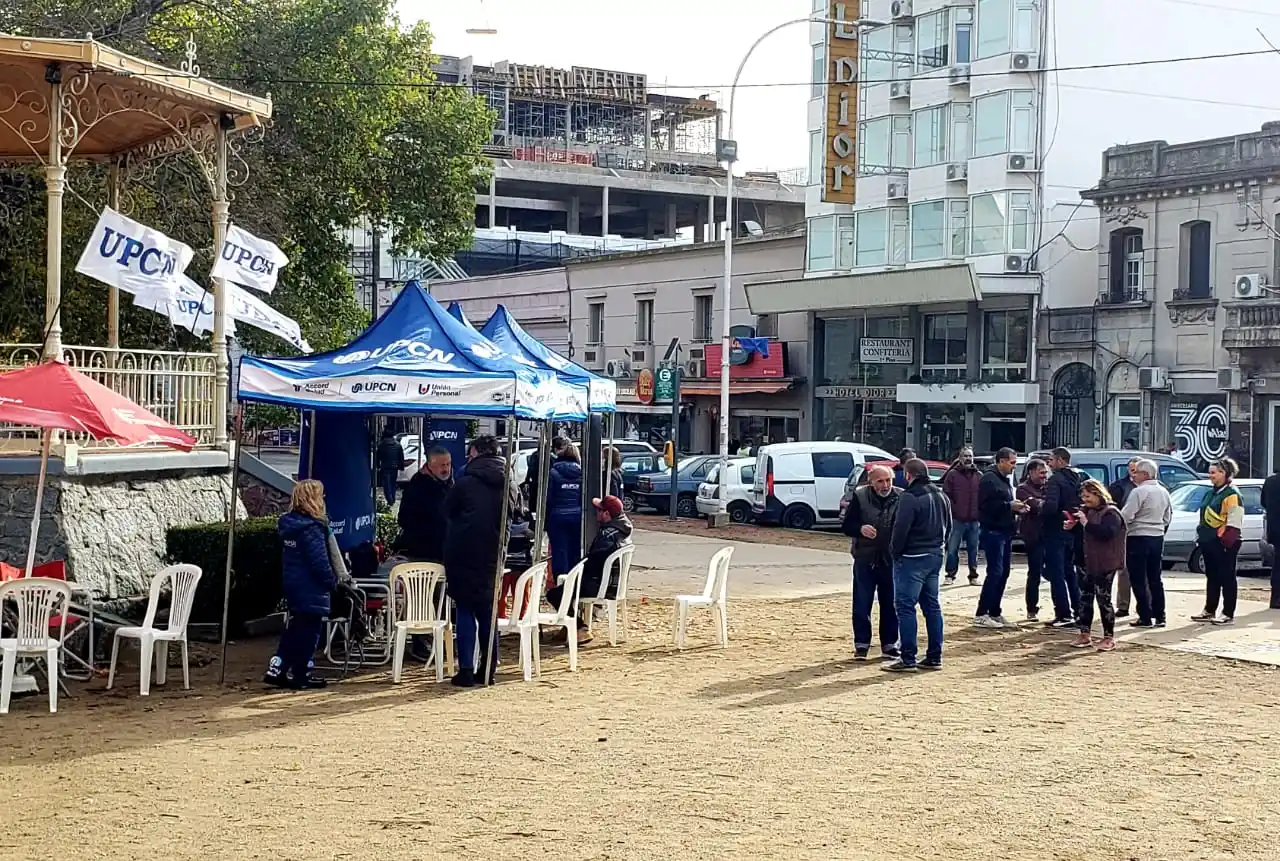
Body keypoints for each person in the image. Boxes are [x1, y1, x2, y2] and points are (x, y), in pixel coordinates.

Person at [443, 435, 512, 687]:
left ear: (478, 453)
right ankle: (488, 669)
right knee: (488, 613)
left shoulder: (465, 481)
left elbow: (447, 510)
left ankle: (466, 669)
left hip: (463, 553)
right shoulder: (509, 482)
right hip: (494, 555)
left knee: (464, 609)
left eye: (470, 452)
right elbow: (515, 514)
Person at [265, 479, 337, 689]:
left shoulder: (290, 526)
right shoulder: (312, 528)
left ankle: (278, 666)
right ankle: (301, 672)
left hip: (294, 584)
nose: (323, 499)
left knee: (296, 627)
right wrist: (331, 582)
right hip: (311, 587)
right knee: (309, 632)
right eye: (320, 496)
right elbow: (319, 561)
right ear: (313, 500)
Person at [885, 458, 951, 673]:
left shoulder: (909, 497)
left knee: (905, 607)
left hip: (912, 557)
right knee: (931, 606)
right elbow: (949, 526)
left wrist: (895, 553)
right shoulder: (941, 494)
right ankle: (934, 656)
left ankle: (908, 657)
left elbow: (900, 528)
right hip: (935, 554)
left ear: (907, 474)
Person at [546, 496, 634, 643]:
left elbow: (592, 561)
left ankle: (579, 628)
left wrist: (574, 571)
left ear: (606, 514)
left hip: (599, 585)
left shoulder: (607, 535)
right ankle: (569, 628)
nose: (596, 513)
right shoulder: (622, 531)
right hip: (613, 584)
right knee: (567, 589)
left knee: (555, 594)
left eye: (599, 510)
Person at [840, 464, 902, 661]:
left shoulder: (901, 496)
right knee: (862, 602)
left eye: (888, 481)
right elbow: (846, 525)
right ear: (871, 482)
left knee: (890, 603)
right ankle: (861, 644)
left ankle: (890, 644)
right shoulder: (860, 496)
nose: (885, 485)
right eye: (880, 481)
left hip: (890, 558)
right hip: (865, 557)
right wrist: (860, 529)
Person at [974, 447, 1028, 628]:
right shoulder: (989, 479)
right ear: (1002, 461)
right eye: (1012, 463)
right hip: (993, 531)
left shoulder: (1003, 479)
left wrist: (1016, 508)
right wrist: (1009, 506)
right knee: (995, 572)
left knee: (1003, 572)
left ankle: (995, 612)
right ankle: (982, 613)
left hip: (1005, 531)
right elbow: (985, 506)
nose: (1014, 467)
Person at [1071, 479, 1126, 652]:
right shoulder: (1086, 511)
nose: (1084, 499)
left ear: (1097, 493)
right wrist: (1072, 526)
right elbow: (1083, 534)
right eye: (1082, 496)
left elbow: (1106, 533)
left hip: (1104, 563)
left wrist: (1086, 523)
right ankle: (1084, 634)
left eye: (1087, 496)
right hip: (1085, 561)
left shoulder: (1111, 513)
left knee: (1104, 599)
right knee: (1084, 599)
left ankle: (1108, 637)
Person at [1119, 458, 1173, 628]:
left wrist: (1125, 527)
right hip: (1157, 537)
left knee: (1138, 578)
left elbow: (1126, 516)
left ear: (1145, 474)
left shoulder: (1139, 492)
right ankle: (1160, 615)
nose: (1133, 476)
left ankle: (1145, 616)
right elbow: (1167, 517)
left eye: (1136, 473)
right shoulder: (1164, 491)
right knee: (1155, 577)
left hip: (1138, 537)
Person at [1191, 458, 1244, 625]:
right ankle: (1209, 609)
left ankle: (1228, 613)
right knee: (1212, 576)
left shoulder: (1232, 494)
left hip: (1224, 543)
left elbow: (1235, 522)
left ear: (1224, 473)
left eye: (1213, 472)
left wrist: (1225, 542)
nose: (1210, 475)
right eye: (1210, 472)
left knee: (1227, 577)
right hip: (1208, 542)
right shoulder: (1210, 492)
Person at [1041, 446, 1083, 628]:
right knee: (1070, 572)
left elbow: (1051, 506)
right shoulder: (1079, 477)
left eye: (1051, 460)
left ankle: (1063, 613)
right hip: (1072, 530)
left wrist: (1038, 507)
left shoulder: (1055, 480)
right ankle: (1079, 610)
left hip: (1055, 530)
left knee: (1056, 573)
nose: (1049, 464)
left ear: (1060, 460)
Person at [395, 446, 453, 562]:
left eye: (448, 464)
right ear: (430, 465)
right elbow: (404, 518)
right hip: (423, 552)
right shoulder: (417, 486)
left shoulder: (448, 483)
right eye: (442, 465)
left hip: (443, 549)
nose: (446, 469)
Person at [941, 448, 982, 585]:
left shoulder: (978, 475)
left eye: (970, 456)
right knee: (952, 549)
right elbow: (946, 495)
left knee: (973, 550)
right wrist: (955, 510)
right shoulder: (952, 475)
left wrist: (979, 512)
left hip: (974, 519)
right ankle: (950, 575)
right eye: (965, 456)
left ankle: (973, 575)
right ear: (959, 458)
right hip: (957, 519)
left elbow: (983, 496)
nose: (968, 458)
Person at [546, 441, 584, 584]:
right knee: (575, 548)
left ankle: (560, 581)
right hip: (577, 516)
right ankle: (574, 580)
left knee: (559, 549)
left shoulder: (553, 472)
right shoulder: (582, 473)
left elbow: (549, 497)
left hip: (557, 517)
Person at [1107, 458, 1141, 617]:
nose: (1134, 473)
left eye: (1137, 470)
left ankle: (1144, 607)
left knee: (1143, 572)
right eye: (1132, 470)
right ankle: (1123, 605)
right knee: (1123, 570)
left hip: (1143, 534)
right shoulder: (1119, 487)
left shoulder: (1153, 487)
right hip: (1123, 533)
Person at [1017, 458, 1049, 621]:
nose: (1044, 476)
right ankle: (1032, 609)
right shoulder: (1023, 489)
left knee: (1054, 572)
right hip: (1033, 537)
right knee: (1034, 573)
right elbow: (1035, 506)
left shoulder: (1049, 487)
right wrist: (1046, 504)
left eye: (1046, 472)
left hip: (1050, 536)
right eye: (1041, 472)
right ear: (1031, 472)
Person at [524, 436, 567, 513]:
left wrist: (527, 481)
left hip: (535, 485)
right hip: (545, 485)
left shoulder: (534, 455)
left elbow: (530, 469)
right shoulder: (550, 457)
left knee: (534, 507)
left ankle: (534, 521)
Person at [376, 428, 408, 506]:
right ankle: (392, 499)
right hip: (394, 467)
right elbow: (401, 457)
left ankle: (390, 500)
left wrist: (377, 466)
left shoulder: (382, 445)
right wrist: (401, 466)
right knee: (393, 483)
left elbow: (378, 457)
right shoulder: (397, 445)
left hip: (385, 467)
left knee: (387, 485)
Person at [1263, 463, 1280, 610]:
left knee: (1277, 565)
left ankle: (1275, 598)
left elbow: (1263, 502)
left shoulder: (1269, 481)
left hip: (1274, 529)